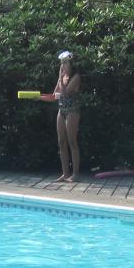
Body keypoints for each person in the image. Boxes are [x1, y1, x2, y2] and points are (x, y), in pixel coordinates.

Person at [54, 49, 83, 182]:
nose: (62, 66)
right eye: (61, 63)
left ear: (71, 64)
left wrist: (60, 78)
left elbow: (65, 93)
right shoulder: (62, 77)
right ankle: (65, 174)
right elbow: (55, 95)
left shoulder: (75, 77)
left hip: (72, 111)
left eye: (65, 63)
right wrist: (38, 97)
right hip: (62, 111)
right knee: (61, 142)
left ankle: (75, 174)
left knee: (72, 141)